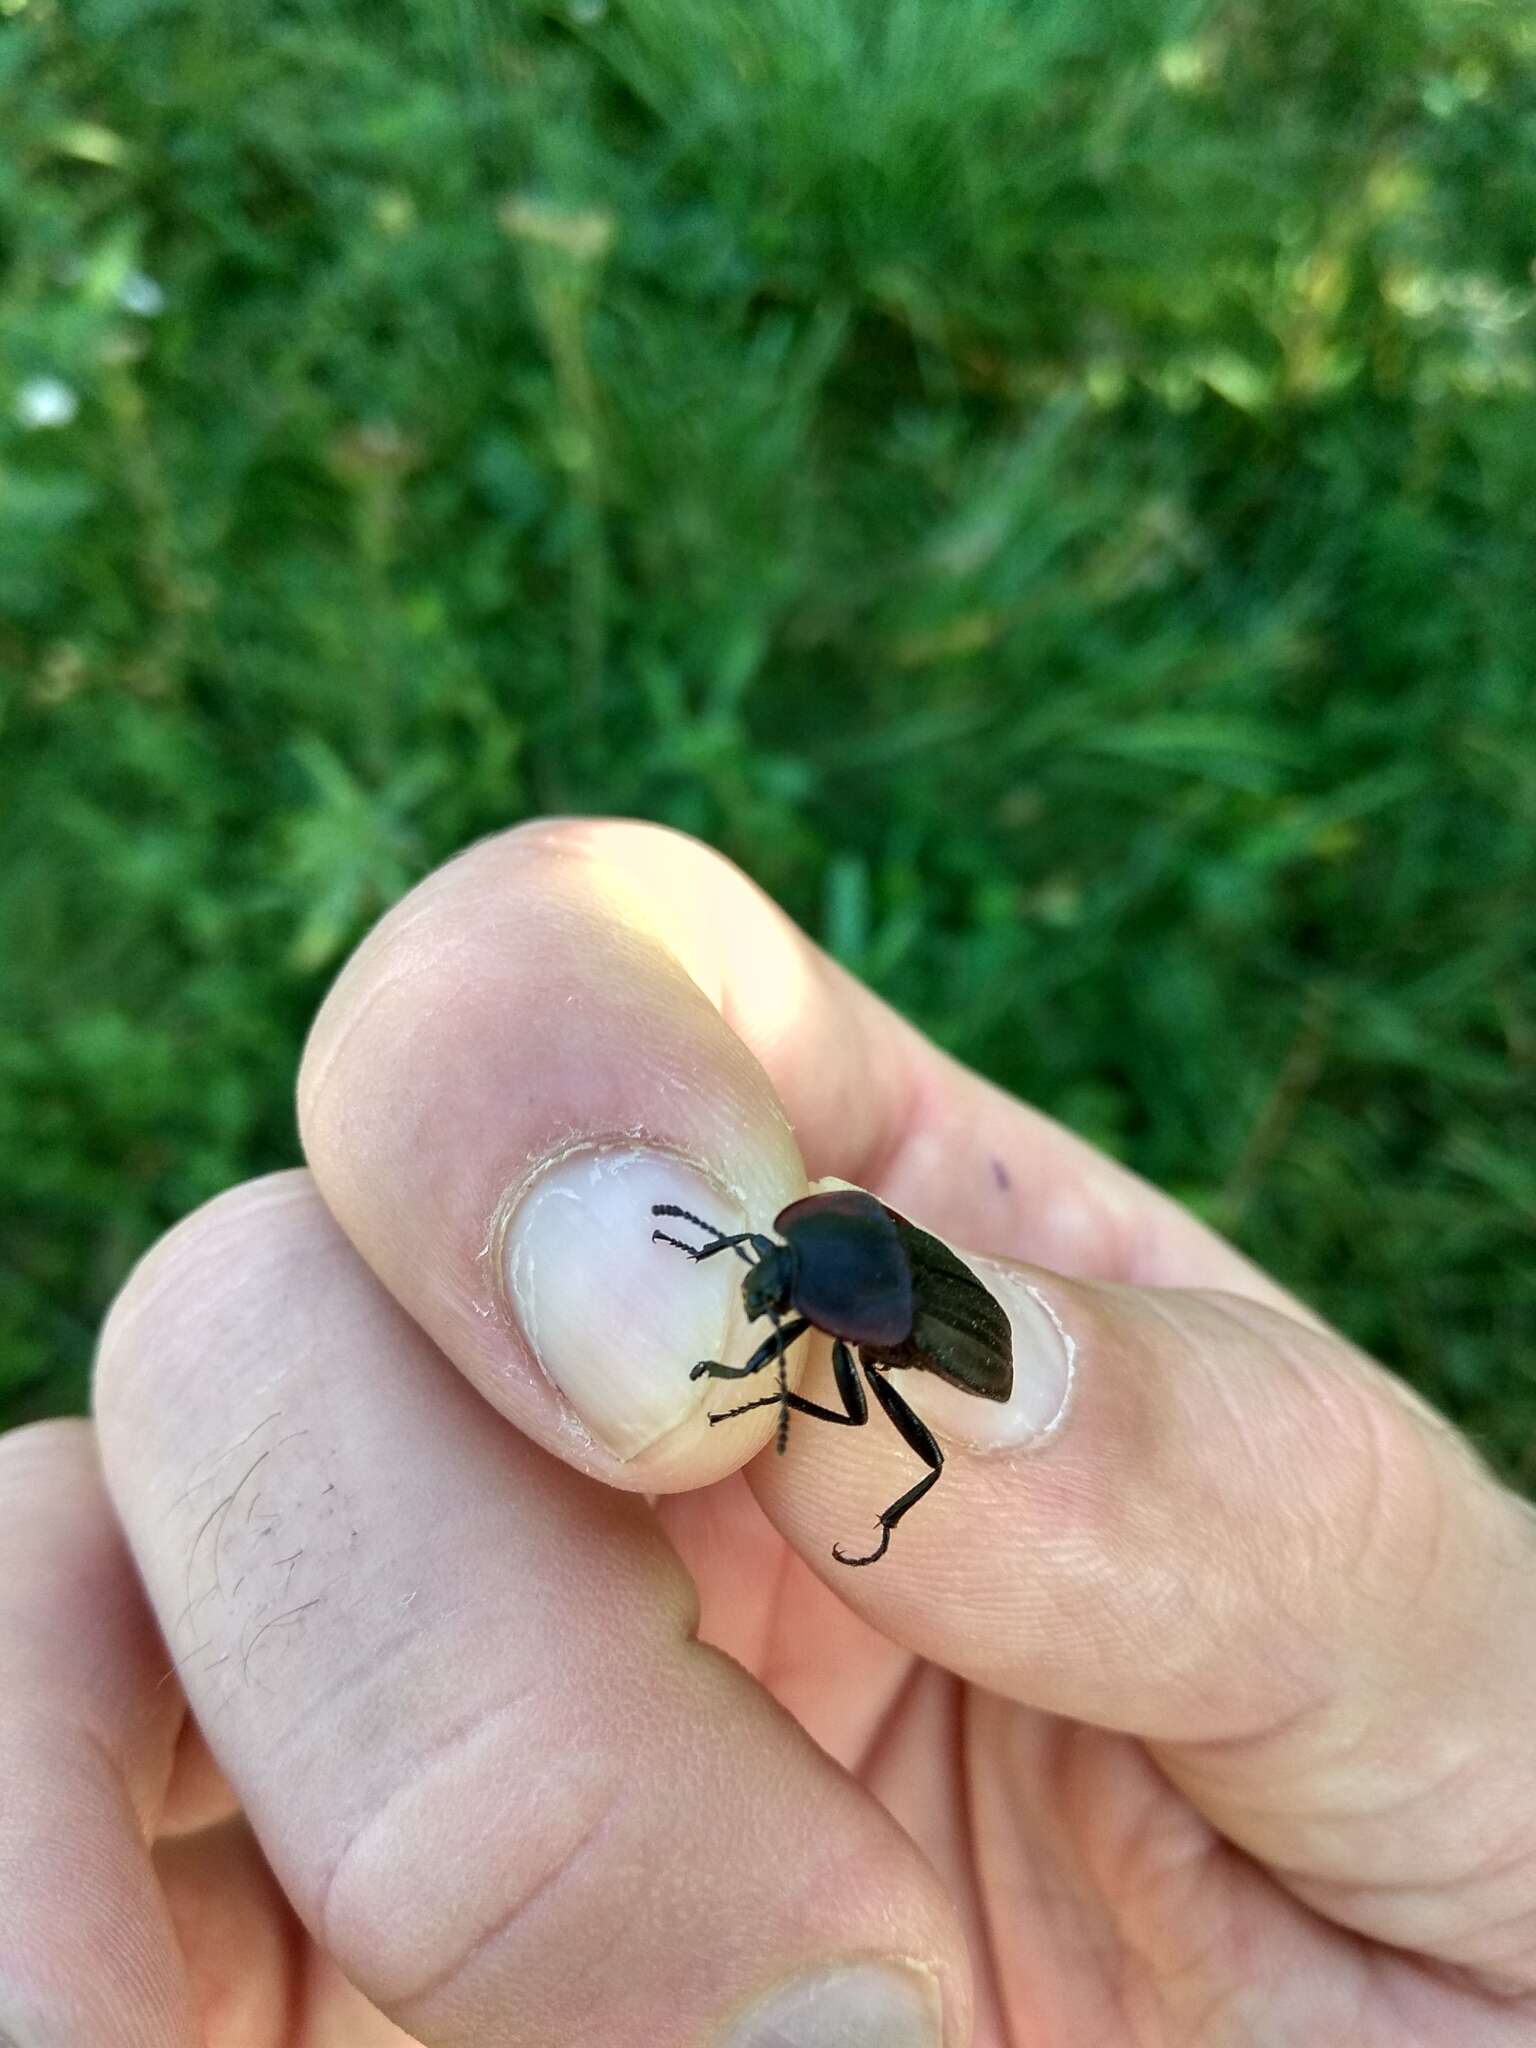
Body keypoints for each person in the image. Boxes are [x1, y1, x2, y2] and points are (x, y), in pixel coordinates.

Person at [4, 818, 1532, 2048]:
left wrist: (776, 1402)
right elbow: (811, 1265)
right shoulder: (827, 1270)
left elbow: (835, 1311)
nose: (765, 1294)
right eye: (768, 1279)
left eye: (776, 1292)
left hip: (952, 1374)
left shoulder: (862, 1314)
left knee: (885, 1447)